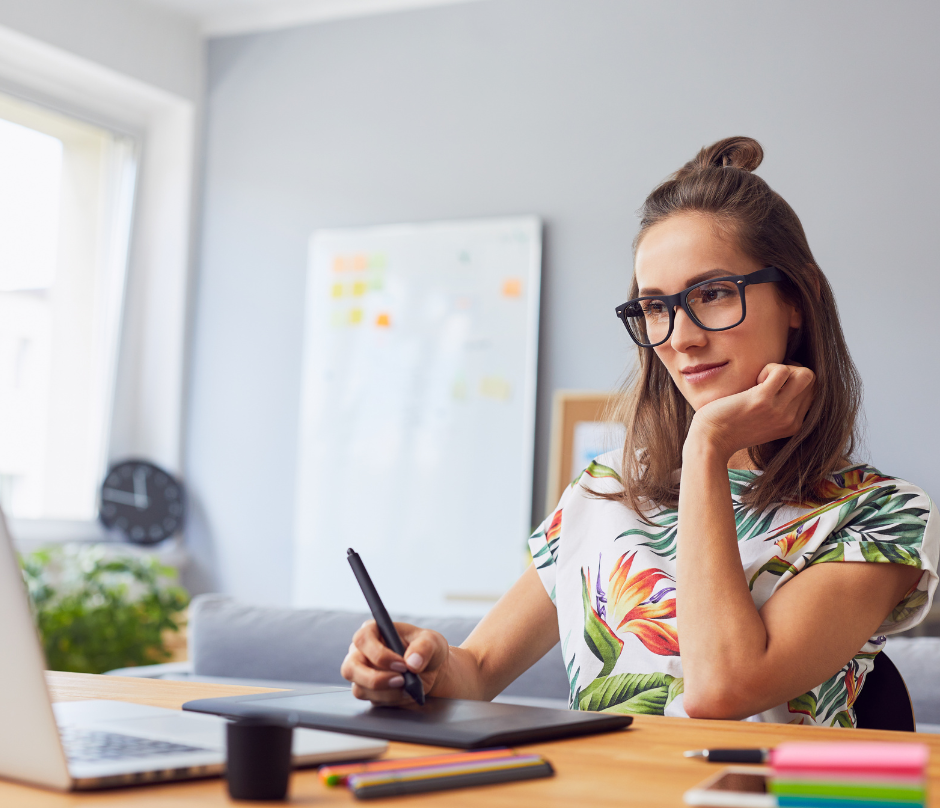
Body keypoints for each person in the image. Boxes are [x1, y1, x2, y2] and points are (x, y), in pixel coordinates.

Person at [341, 136, 939, 726]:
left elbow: (720, 690)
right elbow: (477, 672)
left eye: (712, 293)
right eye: (656, 306)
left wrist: (707, 447)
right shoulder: (602, 492)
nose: (681, 338)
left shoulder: (881, 515)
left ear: (796, 299)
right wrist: (425, 664)